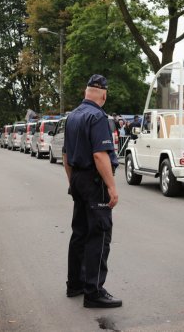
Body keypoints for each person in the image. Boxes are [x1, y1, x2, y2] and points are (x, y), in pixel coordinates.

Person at [63, 74, 122, 309]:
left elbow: (66, 155)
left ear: (86, 92)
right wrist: (111, 186)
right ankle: (94, 291)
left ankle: (75, 284)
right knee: (99, 234)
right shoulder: (97, 116)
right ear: (104, 94)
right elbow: (100, 155)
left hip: (77, 177)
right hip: (93, 180)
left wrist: (72, 181)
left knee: (79, 233)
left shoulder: (73, 116)